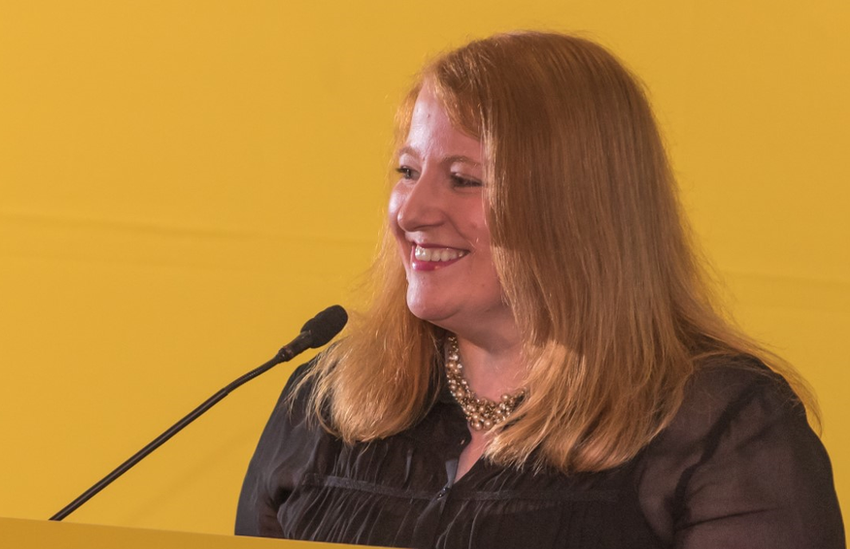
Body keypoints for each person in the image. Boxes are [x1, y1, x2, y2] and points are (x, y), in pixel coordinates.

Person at [235, 31, 845, 548]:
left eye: (464, 179)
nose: (413, 211)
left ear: (579, 205)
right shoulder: (327, 405)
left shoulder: (726, 429)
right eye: (407, 171)